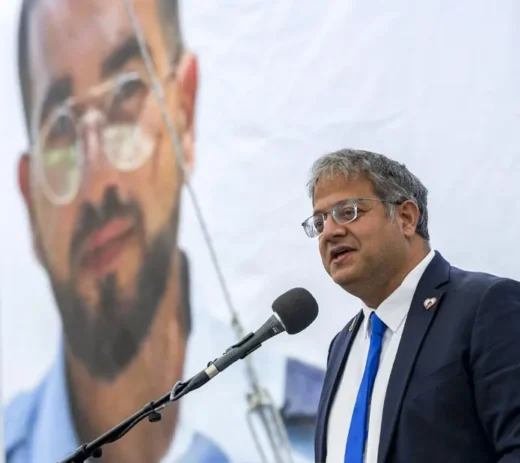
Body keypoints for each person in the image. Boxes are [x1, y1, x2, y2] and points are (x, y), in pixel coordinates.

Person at [5, 1, 319, 462]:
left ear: (184, 110)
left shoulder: (319, 429)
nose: (99, 181)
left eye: (126, 96)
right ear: (29, 198)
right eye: (61, 130)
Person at [304, 149, 520, 462]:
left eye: (348, 211)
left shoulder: (489, 307)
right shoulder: (342, 345)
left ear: (406, 218)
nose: (330, 232)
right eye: (320, 222)